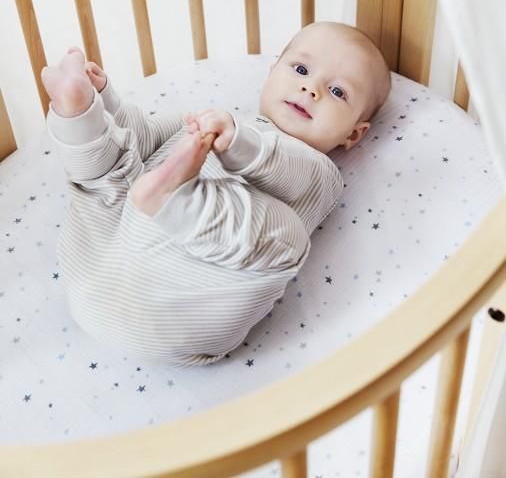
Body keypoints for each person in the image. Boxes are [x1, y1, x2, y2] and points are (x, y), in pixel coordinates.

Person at [41, 21, 391, 366]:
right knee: (113, 175)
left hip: (180, 312)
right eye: (301, 69)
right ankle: (80, 112)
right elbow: (143, 139)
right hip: (97, 263)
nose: (311, 89)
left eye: (338, 92)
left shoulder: (320, 172)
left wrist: (237, 142)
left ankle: (175, 198)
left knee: (286, 235)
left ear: (353, 135)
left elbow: (286, 172)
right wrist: (107, 103)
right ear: (271, 72)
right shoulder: (211, 120)